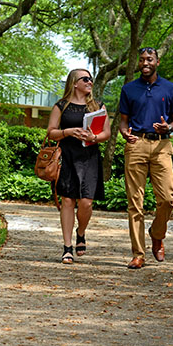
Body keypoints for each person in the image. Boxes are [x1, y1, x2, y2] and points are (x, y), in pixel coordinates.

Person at [118, 47, 173, 269]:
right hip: (136, 144)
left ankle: (157, 233)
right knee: (135, 202)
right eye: (142, 59)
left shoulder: (171, 89)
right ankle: (138, 254)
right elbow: (123, 121)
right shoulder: (128, 89)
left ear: (157, 62)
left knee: (167, 198)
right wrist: (124, 132)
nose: (145, 62)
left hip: (162, 145)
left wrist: (168, 127)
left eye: (150, 59)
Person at [47, 69, 111, 264]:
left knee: (86, 203)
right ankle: (67, 248)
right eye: (85, 79)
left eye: (91, 79)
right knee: (67, 201)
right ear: (74, 83)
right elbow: (51, 132)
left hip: (89, 157)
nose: (89, 82)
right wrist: (67, 132)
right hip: (67, 157)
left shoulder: (98, 106)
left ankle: (81, 232)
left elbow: (106, 133)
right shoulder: (62, 106)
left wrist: (94, 137)